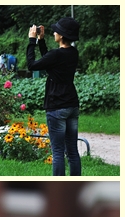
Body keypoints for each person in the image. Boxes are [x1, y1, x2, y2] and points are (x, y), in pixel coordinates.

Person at [27, 17, 81, 177]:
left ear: (62, 36)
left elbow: (32, 65)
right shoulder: (73, 53)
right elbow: (50, 61)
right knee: (72, 151)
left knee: (57, 152)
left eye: (56, 31)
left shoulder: (57, 55)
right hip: (72, 105)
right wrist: (41, 41)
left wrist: (32, 41)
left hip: (57, 107)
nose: (54, 32)